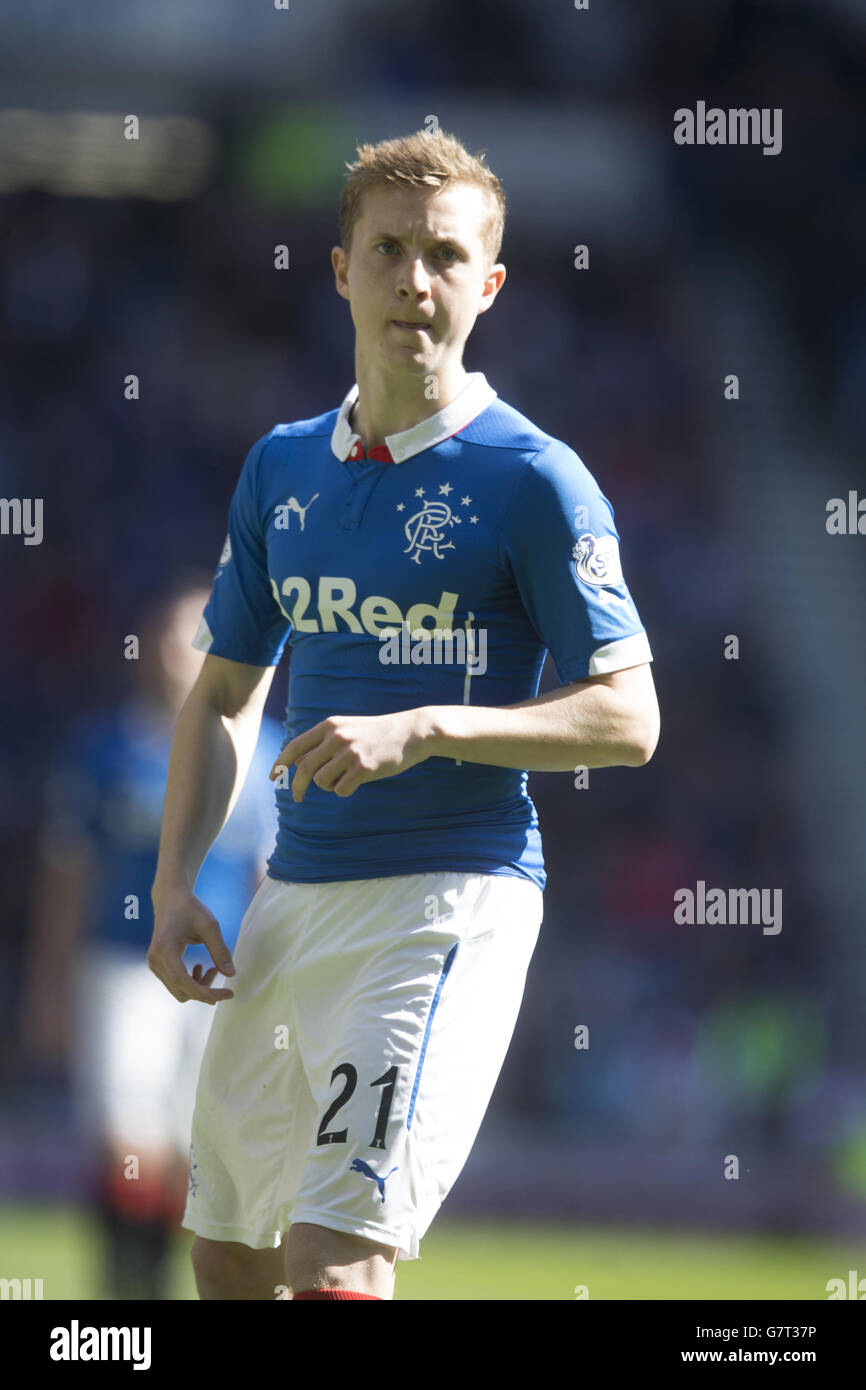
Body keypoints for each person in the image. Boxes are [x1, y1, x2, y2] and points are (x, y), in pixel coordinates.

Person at [147, 128, 660, 1302]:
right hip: (290, 897)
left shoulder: (533, 477)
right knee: (230, 1255)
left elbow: (628, 716)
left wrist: (424, 726)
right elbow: (225, 690)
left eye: (443, 256)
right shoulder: (281, 469)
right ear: (340, 269)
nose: (412, 280)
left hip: (444, 901)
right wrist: (177, 880)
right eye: (386, 249)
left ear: (487, 286)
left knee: (334, 1262)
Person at [22, 575, 282, 1298]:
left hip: (224, 975)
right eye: (168, 635)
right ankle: (127, 1300)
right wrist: (49, 984)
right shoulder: (105, 749)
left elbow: (275, 882)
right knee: (122, 1136)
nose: (179, 651)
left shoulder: (266, 752)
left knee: (194, 1146)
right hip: (120, 966)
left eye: (193, 634)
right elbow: (66, 875)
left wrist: (280, 994)